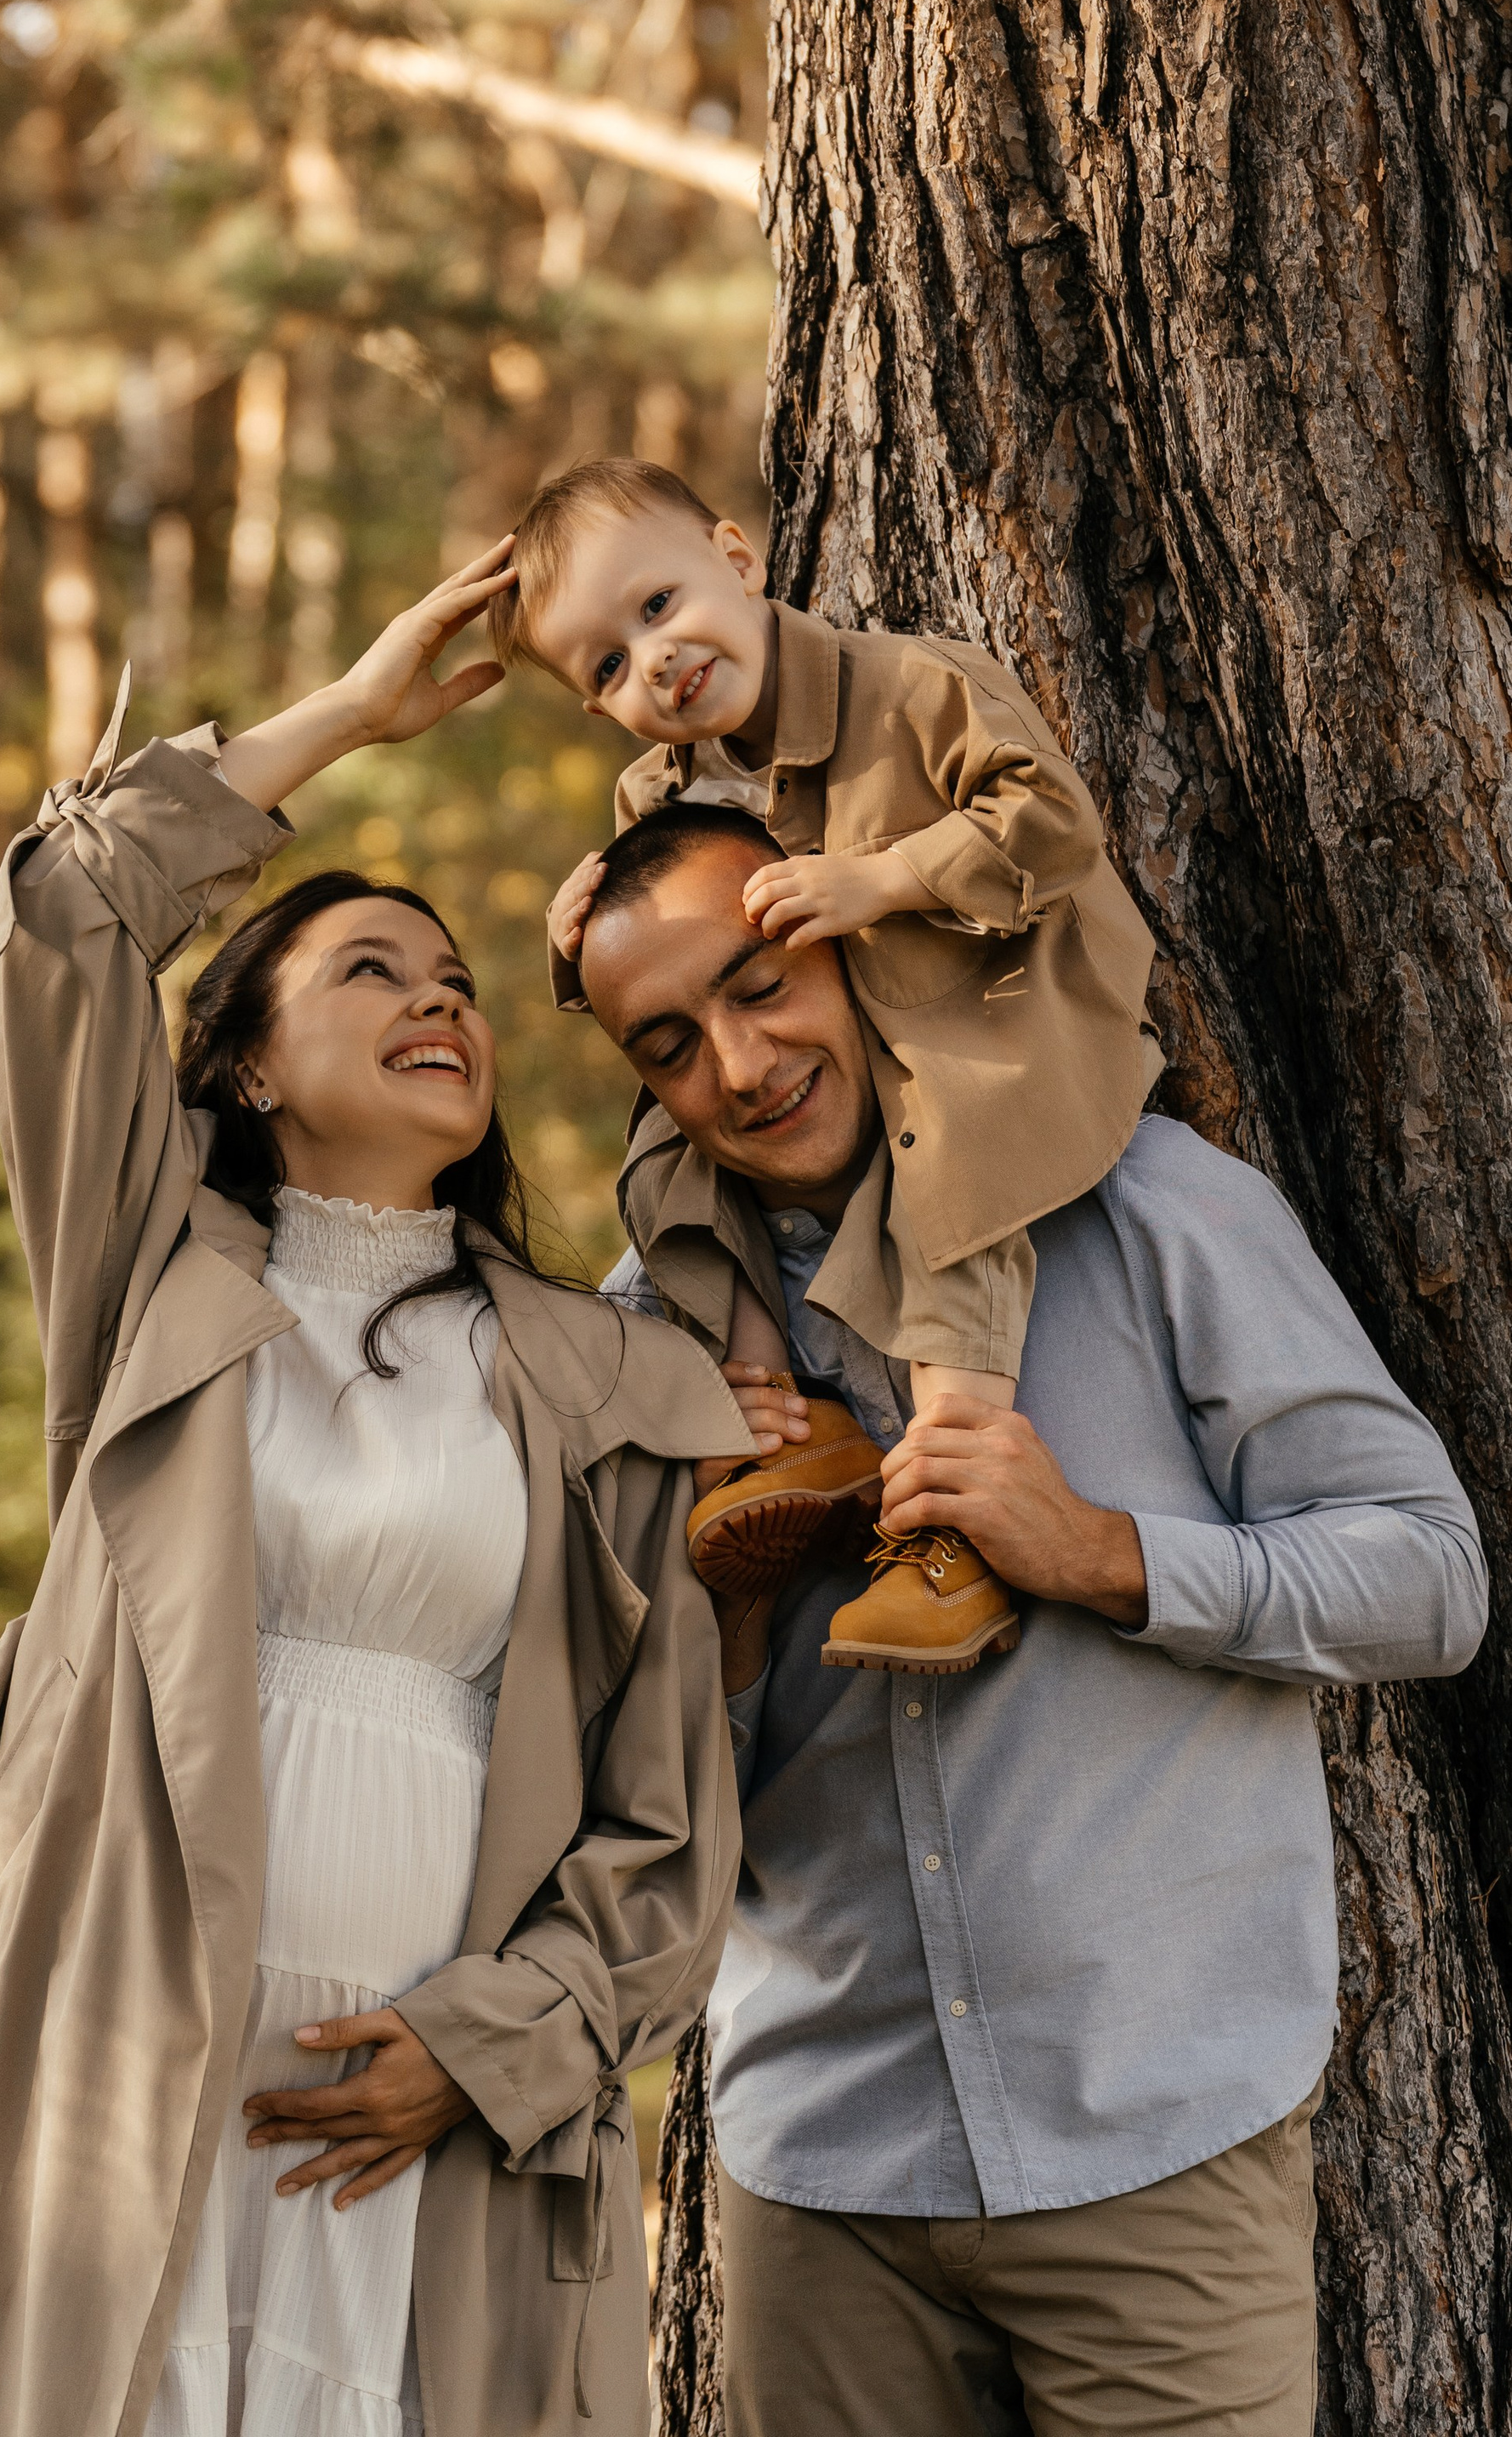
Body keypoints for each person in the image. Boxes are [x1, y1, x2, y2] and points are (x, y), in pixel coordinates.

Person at [0, 550, 754, 2437]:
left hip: (408, 2096)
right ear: (241, 1060)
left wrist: (483, 2052)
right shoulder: (153, 1283)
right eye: (368, 969)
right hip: (113, 2030)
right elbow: (64, 918)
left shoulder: (604, 1384)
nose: (440, 1003)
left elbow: (667, 1834)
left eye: (463, 982)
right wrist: (347, 713)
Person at [572, 801, 1488, 2437]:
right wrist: (724, 1619)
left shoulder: (1145, 1206)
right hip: (826, 2180)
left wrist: (1098, 1552)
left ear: (848, 948)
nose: (742, 1060)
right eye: (670, 1040)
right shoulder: (651, 1346)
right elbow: (624, 1801)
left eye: (760, 980)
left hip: (1154, 2153)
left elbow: (1430, 1575)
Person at [494, 456, 1162, 1673]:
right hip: (848, 1029)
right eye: (607, 664)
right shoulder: (660, 792)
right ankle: (778, 1416)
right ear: (601, 709)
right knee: (668, 1144)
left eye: (658, 608)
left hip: (992, 993)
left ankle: (953, 1513)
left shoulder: (905, 686)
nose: (654, 659)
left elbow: (1054, 822)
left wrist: (884, 877)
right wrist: (571, 940)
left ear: (736, 560)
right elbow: (671, 970)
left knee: (950, 1150)